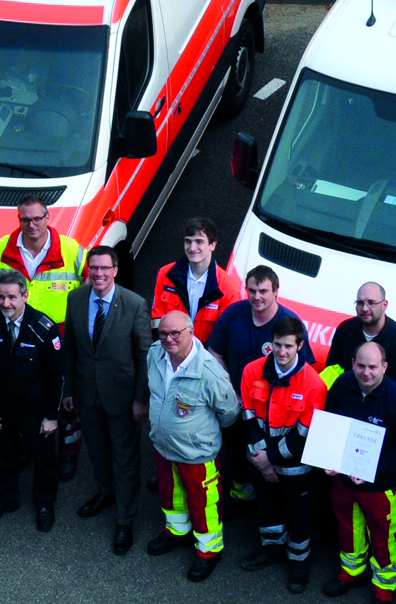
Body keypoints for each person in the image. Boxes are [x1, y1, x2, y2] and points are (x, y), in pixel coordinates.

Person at [63, 246, 150, 556]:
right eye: (93, 268)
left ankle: (125, 519)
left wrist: (141, 399)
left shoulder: (135, 304)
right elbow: (71, 348)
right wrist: (68, 390)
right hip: (87, 394)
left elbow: (143, 356)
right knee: (97, 450)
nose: (98, 274)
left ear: (115, 270)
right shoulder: (76, 299)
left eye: (104, 268)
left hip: (123, 398)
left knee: (125, 458)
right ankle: (106, 492)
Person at [146, 311, 240, 582]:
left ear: (191, 332)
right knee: (170, 493)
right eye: (163, 333)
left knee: (203, 503)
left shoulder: (209, 372)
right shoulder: (155, 354)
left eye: (176, 333)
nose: (168, 339)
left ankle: (209, 550)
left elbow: (229, 412)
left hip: (197, 453)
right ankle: (177, 531)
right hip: (164, 447)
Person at [322, 342, 396, 604]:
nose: (366, 372)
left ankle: (384, 588)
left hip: (378, 486)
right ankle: (352, 572)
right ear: (352, 363)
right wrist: (329, 457)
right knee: (347, 529)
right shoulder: (342, 385)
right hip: (344, 481)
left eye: (373, 367)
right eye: (361, 365)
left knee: (382, 537)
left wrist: (374, 470)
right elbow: (331, 424)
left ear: (384, 367)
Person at [208, 265, 313, 502]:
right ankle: (241, 493)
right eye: (252, 290)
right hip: (236, 402)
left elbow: (304, 372)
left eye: (263, 291)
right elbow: (215, 352)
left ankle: (268, 498)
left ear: (276, 291)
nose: (257, 297)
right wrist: (230, 391)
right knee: (235, 449)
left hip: (275, 412)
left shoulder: (290, 323)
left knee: (270, 454)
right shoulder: (234, 314)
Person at [0, 194, 87, 481]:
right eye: (26, 219)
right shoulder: (2, 248)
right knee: (24, 398)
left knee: (67, 401)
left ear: (48, 218)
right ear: (19, 220)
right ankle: (27, 446)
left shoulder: (71, 249)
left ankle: (69, 453)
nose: (32, 224)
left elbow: (94, 284)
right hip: (17, 337)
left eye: (38, 218)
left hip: (62, 340)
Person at [239, 315, 327, 593]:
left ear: (300, 345)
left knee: (300, 515)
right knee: (267, 508)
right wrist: (261, 460)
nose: (282, 352)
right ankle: (271, 548)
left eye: (289, 346)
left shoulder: (314, 385)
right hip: (261, 460)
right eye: (277, 345)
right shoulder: (252, 371)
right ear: (271, 344)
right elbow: (249, 417)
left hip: (295, 468)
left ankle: (298, 562)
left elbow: (303, 436)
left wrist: (271, 459)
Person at [0, 269, 63, 530]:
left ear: (25, 296)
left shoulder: (43, 328)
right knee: (4, 455)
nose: (6, 303)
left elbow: (56, 376)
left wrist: (51, 416)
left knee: (45, 460)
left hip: (36, 409)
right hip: (5, 409)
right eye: (1, 297)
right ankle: (7, 498)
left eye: (12, 297)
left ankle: (45, 504)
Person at [151, 216, 241, 345]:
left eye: (199, 242)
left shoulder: (228, 288)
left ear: (212, 245)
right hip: (168, 347)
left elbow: (227, 333)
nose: (192, 248)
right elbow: (157, 320)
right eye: (188, 241)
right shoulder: (165, 274)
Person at [322, 281, 396, 389]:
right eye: (360, 303)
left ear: (384, 305)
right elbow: (331, 371)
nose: (365, 308)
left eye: (371, 303)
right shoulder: (345, 329)